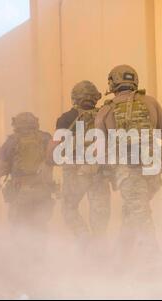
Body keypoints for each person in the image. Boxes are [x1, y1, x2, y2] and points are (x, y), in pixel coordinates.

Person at [95, 65, 162, 269]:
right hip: (154, 168)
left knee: (140, 215)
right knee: (131, 213)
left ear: (113, 83)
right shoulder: (150, 102)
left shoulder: (106, 110)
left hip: (128, 170)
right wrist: (146, 135)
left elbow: (100, 150)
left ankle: (155, 264)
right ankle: (120, 262)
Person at [49, 81, 111, 250]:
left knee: (69, 208)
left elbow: (54, 147)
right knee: (100, 216)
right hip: (100, 172)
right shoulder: (104, 115)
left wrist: (51, 160)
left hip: (75, 173)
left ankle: (83, 236)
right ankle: (100, 253)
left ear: (74, 98)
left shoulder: (66, 118)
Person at [0, 112, 55, 240]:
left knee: (19, 226)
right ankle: (41, 256)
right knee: (40, 224)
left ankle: (21, 256)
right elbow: (55, 158)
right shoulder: (46, 138)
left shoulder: (12, 141)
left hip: (20, 191)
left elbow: (0, 166)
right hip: (42, 190)